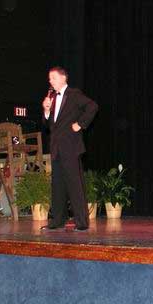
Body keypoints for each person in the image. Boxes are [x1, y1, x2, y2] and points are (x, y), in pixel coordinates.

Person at [41, 66, 99, 231]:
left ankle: (81, 222)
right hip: (57, 148)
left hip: (71, 147)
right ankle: (57, 221)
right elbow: (48, 125)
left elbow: (92, 106)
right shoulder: (51, 98)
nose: (50, 81)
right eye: (49, 78)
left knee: (75, 185)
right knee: (57, 186)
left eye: (53, 77)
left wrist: (80, 124)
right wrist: (46, 111)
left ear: (63, 78)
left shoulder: (74, 94)